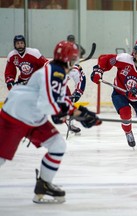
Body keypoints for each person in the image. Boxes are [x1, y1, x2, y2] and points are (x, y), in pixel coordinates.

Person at [0, 41, 101, 204]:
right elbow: (48, 103)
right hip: (16, 115)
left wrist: (82, 114)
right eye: (74, 59)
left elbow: (59, 100)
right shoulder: (54, 72)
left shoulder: (58, 71)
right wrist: (73, 113)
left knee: (58, 145)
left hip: (33, 116)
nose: (75, 63)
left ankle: (44, 185)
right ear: (68, 60)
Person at [90, 43, 137, 150]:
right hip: (119, 93)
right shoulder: (124, 58)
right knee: (125, 113)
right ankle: (128, 132)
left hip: (136, 97)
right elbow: (105, 58)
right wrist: (98, 70)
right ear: (134, 54)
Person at [66, 64, 87, 134]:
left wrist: (78, 92)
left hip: (61, 86)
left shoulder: (73, 68)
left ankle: (70, 124)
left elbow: (81, 78)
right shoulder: (48, 67)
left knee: (68, 102)